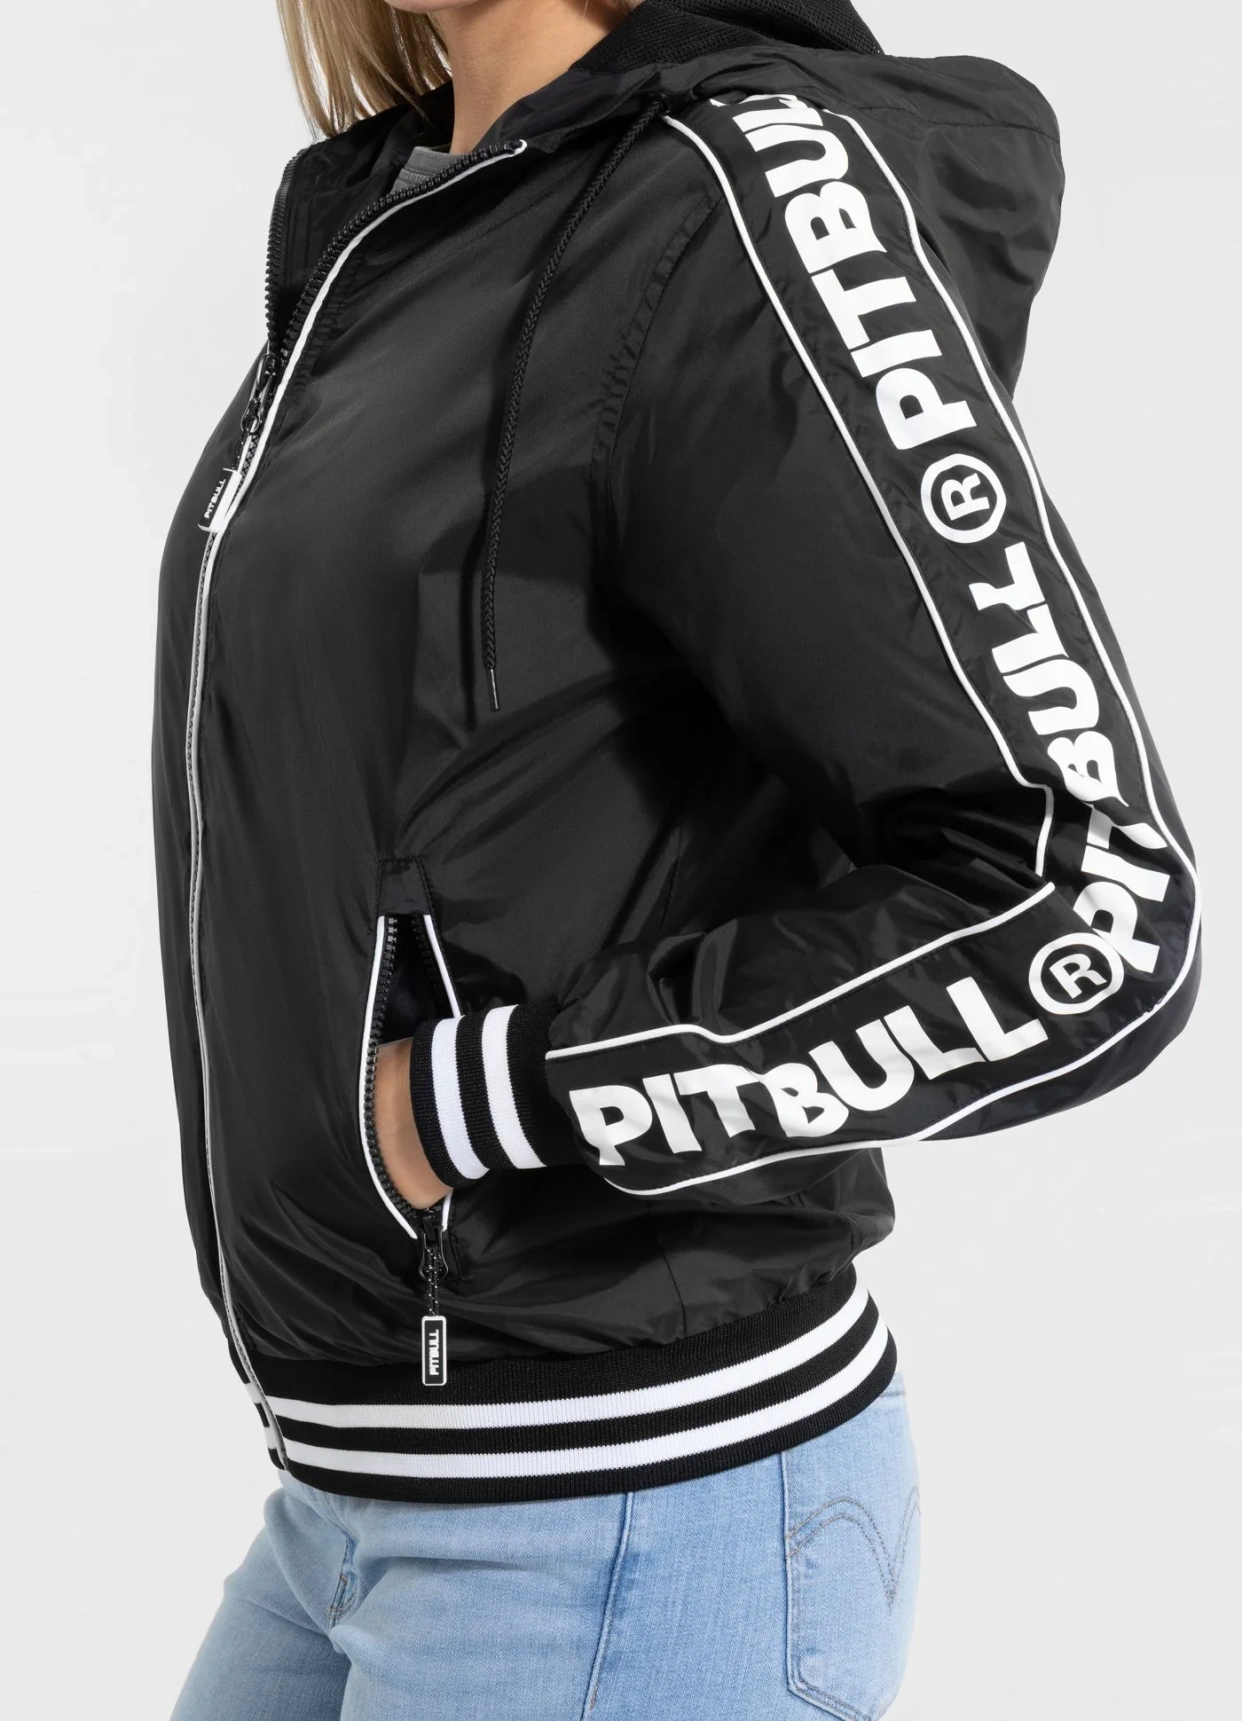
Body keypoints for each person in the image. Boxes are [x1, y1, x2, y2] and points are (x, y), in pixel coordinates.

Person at [156, 0, 1200, 1714]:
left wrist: (492, 1100)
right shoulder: (401, 221)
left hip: (624, 1514)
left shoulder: (721, 197)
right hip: (356, 1483)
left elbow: (1079, 897)